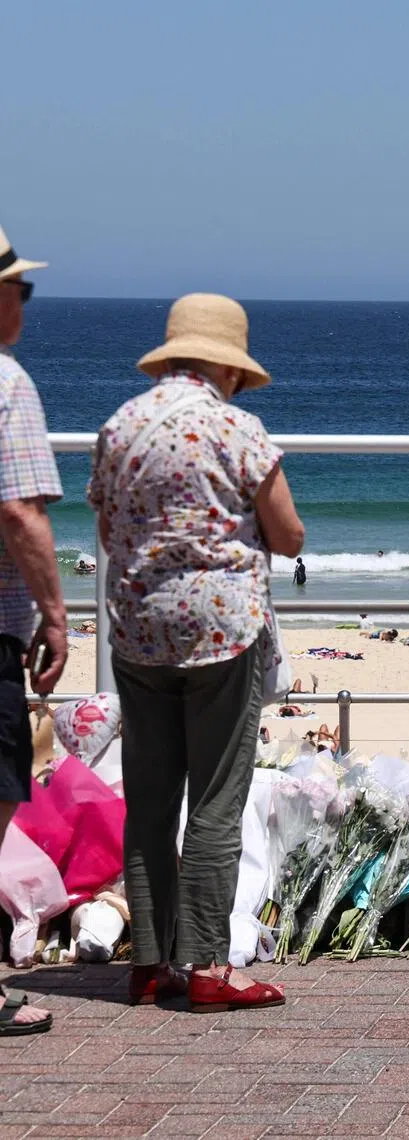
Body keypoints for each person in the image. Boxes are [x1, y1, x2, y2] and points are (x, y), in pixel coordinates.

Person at [88, 293, 304, 1013]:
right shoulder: (237, 429)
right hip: (221, 630)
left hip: (138, 627)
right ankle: (208, 963)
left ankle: (147, 962)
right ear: (226, 366)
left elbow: (104, 516)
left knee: (149, 797)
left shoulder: (120, 426)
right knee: (215, 798)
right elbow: (288, 534)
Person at [0, 225, 66, 1036]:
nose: (24, 301)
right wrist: (55, 612)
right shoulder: (5, 382)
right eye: (21, 285)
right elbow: (18, 510)